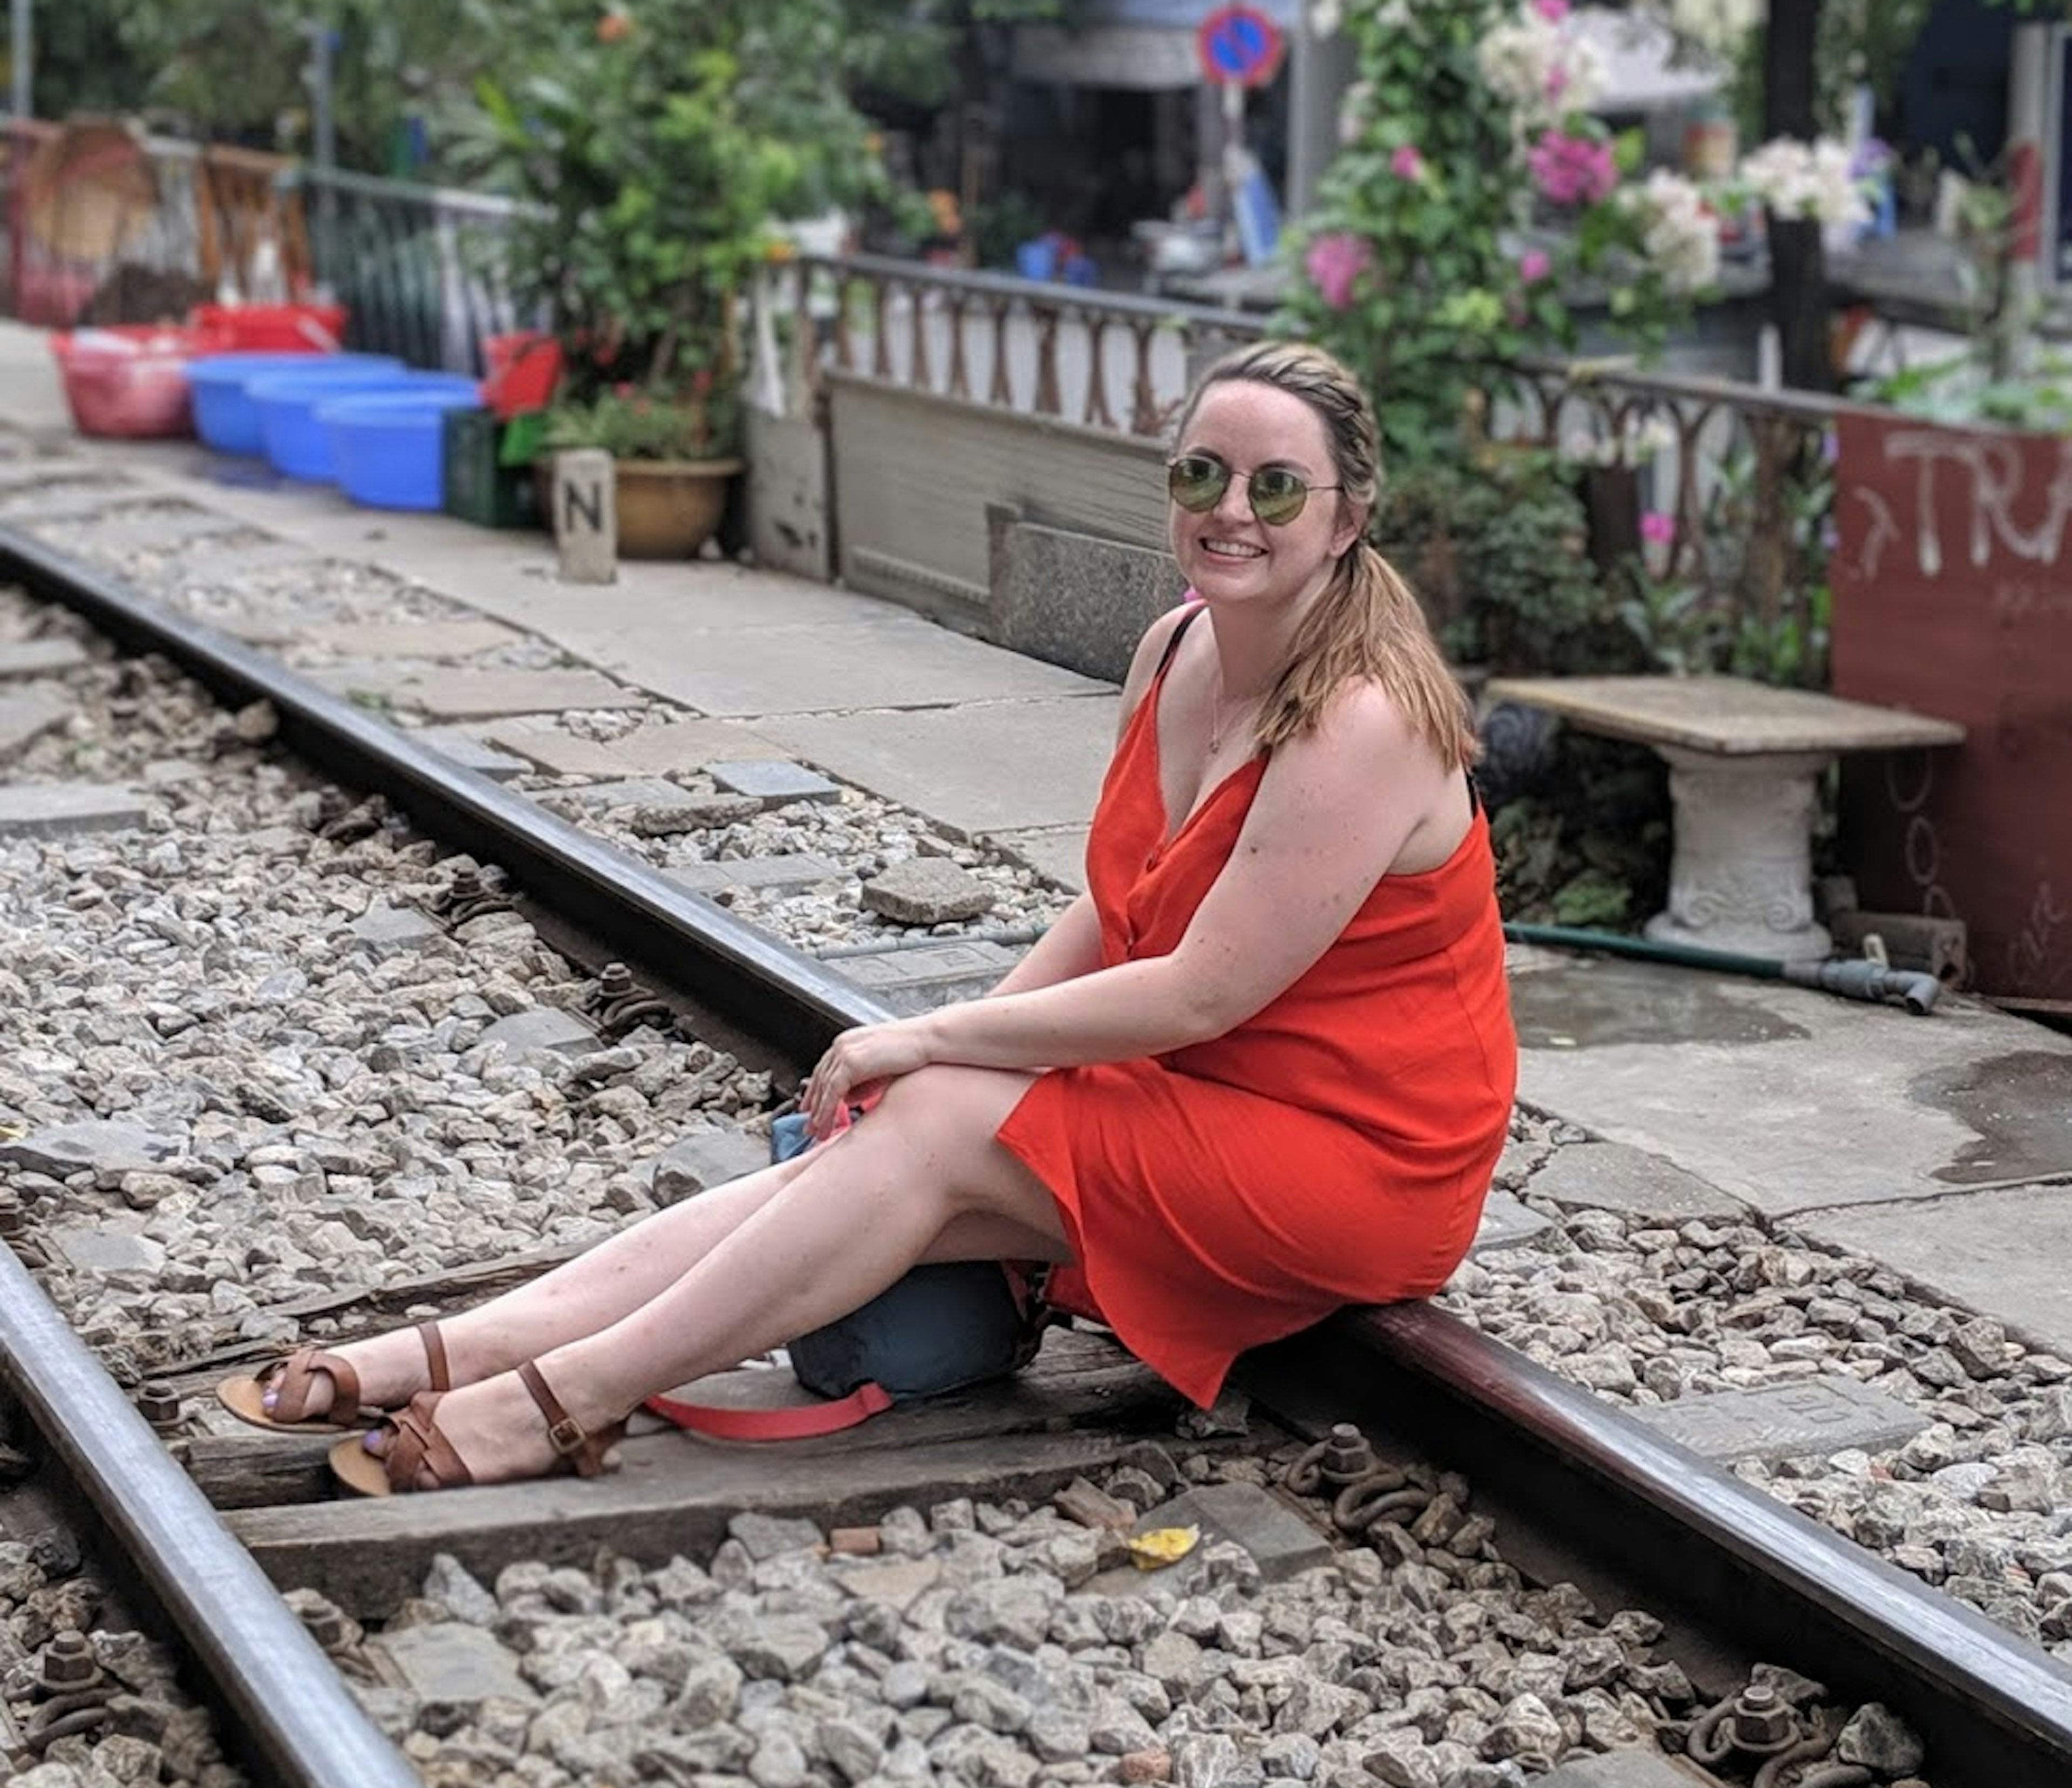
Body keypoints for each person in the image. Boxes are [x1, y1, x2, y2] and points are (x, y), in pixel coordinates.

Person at [223, 338, 1517, 1495]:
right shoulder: (1177, 649)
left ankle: (558, 1404)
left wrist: (937, 1037)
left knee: (935, 1103)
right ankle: (455, 1351)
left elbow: (1200, 991)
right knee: (899, 1131)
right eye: (1201, 476)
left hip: (1358, 1157)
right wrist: (956, 1042)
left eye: (1275, 487)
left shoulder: (1364, 718)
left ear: (1348, 518)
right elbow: (1115, 907)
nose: (1232, 512)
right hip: (1210, 1098)